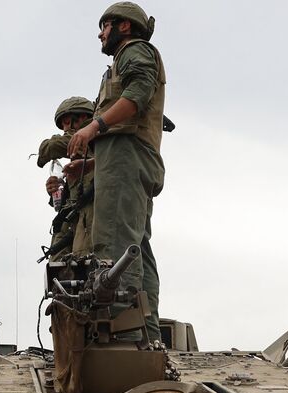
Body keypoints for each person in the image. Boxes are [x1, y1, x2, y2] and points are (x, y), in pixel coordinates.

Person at [67, 2, 166, 344]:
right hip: (125, 160)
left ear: (123, 26)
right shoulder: (124, 58)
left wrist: (92, 128)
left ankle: (127, 344)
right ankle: (147, 337)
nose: (100, 33)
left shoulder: (134, 51)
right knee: (137, 248)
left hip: (128, 160)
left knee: (116, 249)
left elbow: (136, 97)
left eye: (105, 25)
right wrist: (92, 163)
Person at [35, 96, 96, 258]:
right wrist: (58, 192)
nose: (66, 129)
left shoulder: (93, 140)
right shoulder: (77, 157)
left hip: (91, 224)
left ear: (84, 118)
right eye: (64, 125)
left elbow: (50, 147)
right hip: (75, 225)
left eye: (69, 122)